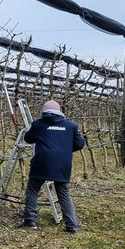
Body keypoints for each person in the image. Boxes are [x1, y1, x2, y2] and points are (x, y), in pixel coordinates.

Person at [18, 100, 86, 233]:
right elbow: (80, 143)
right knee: (63, 192)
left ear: (44, 111)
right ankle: (72, 225)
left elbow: (28, 139)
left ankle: (30, 221)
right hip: (63, 163)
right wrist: (64, 148)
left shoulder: (38, 124)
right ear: (59, 111)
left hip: (42, 161)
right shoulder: (71, 126)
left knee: (32, 189)